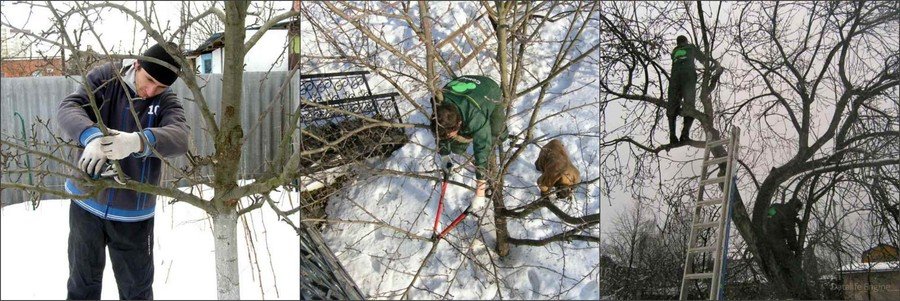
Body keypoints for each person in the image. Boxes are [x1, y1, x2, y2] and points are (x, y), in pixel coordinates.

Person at [56, 42, 189, 300]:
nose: (151, 90)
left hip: (133, 215)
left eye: (161, 86)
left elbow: (181, 137)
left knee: (136, 292)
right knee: (81, 287)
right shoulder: (107, 78)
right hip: (87, 202)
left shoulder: (166, 101)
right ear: (137, 64)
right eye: (148, 79)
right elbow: (69, 107)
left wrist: (137, 141)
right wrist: (91, 137)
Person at [431, 75, 508, 213]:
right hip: (466, 86)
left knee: (496, 134)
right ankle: (465, 139)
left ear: (459, 123)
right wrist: (444, 156)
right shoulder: (438, 107)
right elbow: (441, 132)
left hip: (489, 90)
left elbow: (481, 150)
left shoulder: (475, 117)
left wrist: (480, 193)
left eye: (451, 133)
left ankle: (497, 134)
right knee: (456, 145)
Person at [667, 35, 720, 144]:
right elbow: (703, 59)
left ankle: (672, 136)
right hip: (688, 78)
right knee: (690, 107)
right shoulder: (690, 47)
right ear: (686, 41)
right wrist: (710, 67)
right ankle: (684, 134)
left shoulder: (674, 52)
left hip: (675, 79)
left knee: (671, 107)